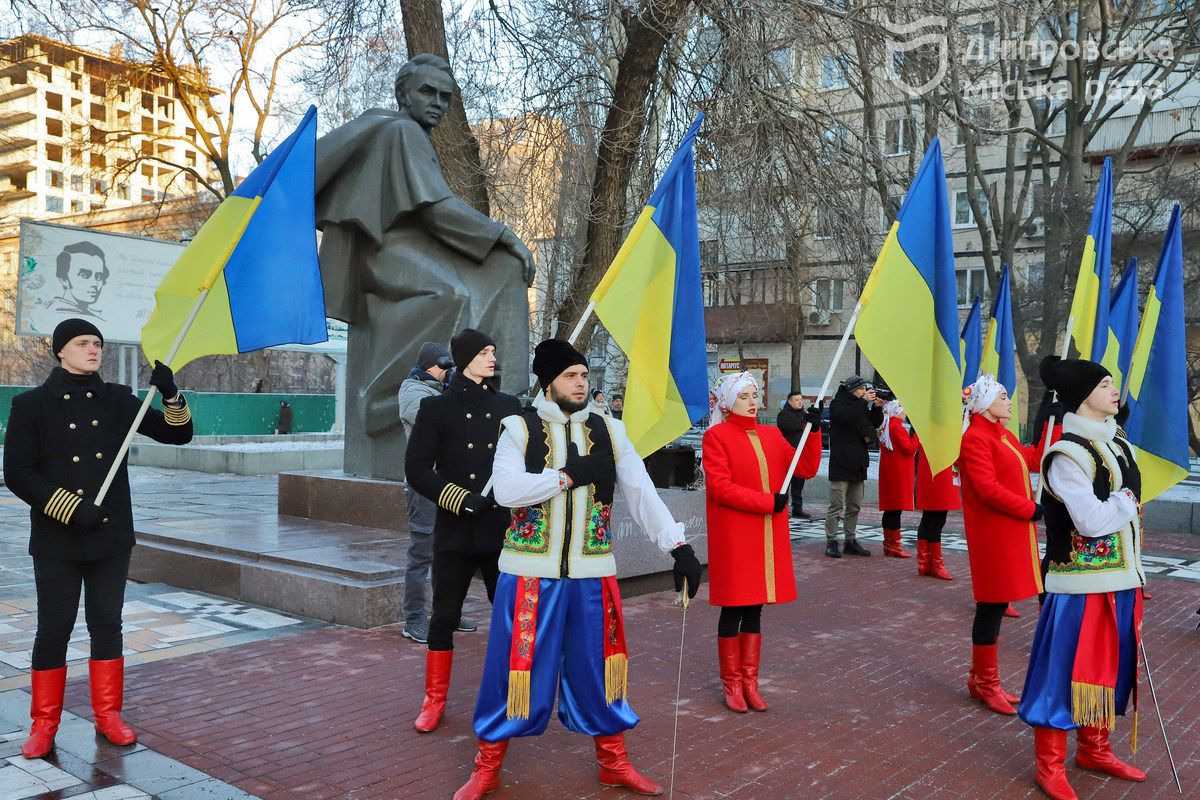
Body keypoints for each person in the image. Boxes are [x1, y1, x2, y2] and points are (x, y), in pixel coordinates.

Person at [452, 339, 703, 800]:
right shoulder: (518, 429)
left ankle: (615, 763)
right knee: (512, 670)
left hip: (592, 574)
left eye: (585, 375)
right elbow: (506, 490)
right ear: (548, 381)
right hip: (528, 574)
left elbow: (642, 493)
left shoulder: (611, 431)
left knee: (601, 668)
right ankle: (487, 766)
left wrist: (678, 548)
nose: (581, 382)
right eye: (571, 375)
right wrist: (569, 475)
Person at [315, 54, 534, 480]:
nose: (437, 102)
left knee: (498, 272)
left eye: (445, 97)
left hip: (412, 249)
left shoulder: (405, 133)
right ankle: (385, 399)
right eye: (427, 92)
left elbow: (434, 217)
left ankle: (497, 388)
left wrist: (500, 245)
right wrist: (504, 234)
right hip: (385, 254)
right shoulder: (402, 132)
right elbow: (438, 212)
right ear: (404, 94)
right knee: (447, 294)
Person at [3, 319, 193, 758]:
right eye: (83, 343)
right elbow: (17, 473)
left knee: (106, 625)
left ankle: (108, 716)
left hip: (110, 537)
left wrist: (170, 393)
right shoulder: (31, 405)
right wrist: (70, 507)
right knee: (54, 628)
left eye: (98, 344)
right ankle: (44, 723)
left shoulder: (118, 401)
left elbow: (178, 433)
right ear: (59, 351)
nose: (94, 350)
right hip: (58, 538)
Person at [1018, 357, 1146, 800]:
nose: (1115, 391)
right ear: (1083, 395)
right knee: (1064, 673)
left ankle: (1094, 748)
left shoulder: (1119, 445)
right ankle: (1049, 764)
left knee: (1111, 668)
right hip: (1079, 584)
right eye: (1106, 383)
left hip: (1122, 579)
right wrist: (1128, 499)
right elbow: (1091, 521)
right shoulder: (1066, 454)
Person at [404, 328, 522, 732]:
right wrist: (458, 497)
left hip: (499, 528)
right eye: (484, 351)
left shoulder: (509, 407)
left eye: (494, 350)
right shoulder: (436, 409)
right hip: (455, 528)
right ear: (465, 357)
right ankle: (434, 700)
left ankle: (512, 694)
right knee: (444, 617)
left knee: (508, 616)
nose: (492, 357)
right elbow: (416, 469)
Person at [704, 372, 821, 712]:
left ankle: (750, 682)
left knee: (755, 606)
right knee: (734, 606)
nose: (753, 401)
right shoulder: (717, 437)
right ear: (728, 403)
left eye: (755, 394)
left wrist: (811, 432)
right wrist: (768, 503)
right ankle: (731, 684)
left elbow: (806, 468)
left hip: (766, 535)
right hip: (736, 534)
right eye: (745, 396)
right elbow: (720, 487)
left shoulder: (771, 435)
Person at [957, 374, 1043, 717]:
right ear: (985, 402)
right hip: (993, 534)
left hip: (1011, 531)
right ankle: (985, 683)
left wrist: (1050, 426)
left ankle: (982, 679)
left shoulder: (1003, 433)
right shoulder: (975, 438)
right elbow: (987, 490)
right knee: (991, 605)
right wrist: (1031, 510)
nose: (1009, 401)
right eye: (1003, 396)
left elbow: (1033, 460)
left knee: (996, 603)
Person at [397, 341, 472, 643]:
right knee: (422, 553)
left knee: (449, 552)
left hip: (448, 488)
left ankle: (446, 614)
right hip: (424, 487)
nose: (449, 374)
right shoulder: (413, 392)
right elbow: (439, 422)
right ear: (430, 367)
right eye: (445, 368)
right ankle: (413, 618)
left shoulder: (441, 393)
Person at [825, 375, 883, 558]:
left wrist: (876, 408)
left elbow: (872, 423)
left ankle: (850, 540)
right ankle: (831, 541)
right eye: (861, 389)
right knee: (836, 507)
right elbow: (847, 417)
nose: (864, 392)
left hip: (858, 464)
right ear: (852, 389)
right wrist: (863, 402)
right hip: (841, 464)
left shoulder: (859, 404)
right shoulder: (837, 404)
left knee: (854, 506)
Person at [876, 400, 917, 559]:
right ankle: (895, 546)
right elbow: (909, 448)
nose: (905, 412)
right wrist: (918, 436)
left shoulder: (887, 425)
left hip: (890, 472)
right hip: (898, 473)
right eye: (903, 409)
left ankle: (888, 544)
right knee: (895, 511)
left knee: (890, 509)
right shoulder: (897, 426)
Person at [914, 447, 957, 580]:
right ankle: (936, 565)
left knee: (927, 517)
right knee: (938, 519)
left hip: (928, 469)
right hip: (941, 467)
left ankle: (924, 563)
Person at [775, 390, 816, 518]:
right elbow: (790, 426)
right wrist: (805, 423)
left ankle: (797, 508)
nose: (800, 402)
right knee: (785, 484)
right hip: (787, 454)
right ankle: (783, 508)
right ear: (790, 401)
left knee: (798, 484)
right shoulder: (783, 415)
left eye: (801, 400)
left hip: (800, 455)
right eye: (797, 400)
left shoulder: (803, 414)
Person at [48, 242, 109, 319]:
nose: (94, 284)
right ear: (64, 279)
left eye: (99, 277)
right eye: (85, 275)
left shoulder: (92, 315)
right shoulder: (59, 313)